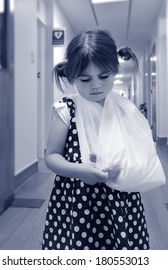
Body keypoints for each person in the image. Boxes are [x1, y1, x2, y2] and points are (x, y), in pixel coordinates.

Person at [42, 28, 152, 250]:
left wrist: (127, 165)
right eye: (85, 79)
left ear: (115, 70)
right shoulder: (66, 110)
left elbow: (140, 151)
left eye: (104, 76)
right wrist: (79, 170)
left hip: (121, 199)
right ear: (72, 77)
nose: (95, 86)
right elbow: (51, 156)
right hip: (76, 201)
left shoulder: (125, 110)